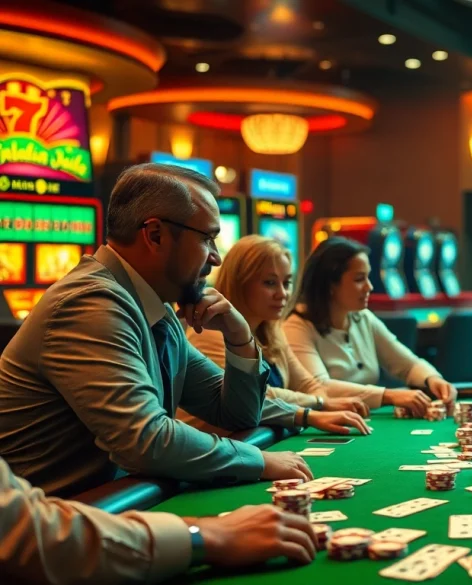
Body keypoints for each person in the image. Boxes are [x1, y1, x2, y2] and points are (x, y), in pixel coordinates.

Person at [0, 163, 366, 497]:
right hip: (47, 532)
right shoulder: (91, 305)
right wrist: (258, 460)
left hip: (107, 506)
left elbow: (236, 415)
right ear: (155, 235)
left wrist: (239, 336)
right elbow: (147, 441)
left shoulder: (155, 309)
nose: (216, 257)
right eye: (207, 238)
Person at [0, 456, 319, 584]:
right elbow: (23, 530)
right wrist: (202, 535)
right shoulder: (89, 310)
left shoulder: (164, 322)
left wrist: (240, 341)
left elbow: (232, 409)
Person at [184, 235, 377, 434]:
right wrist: (318, 405)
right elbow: (253, 397)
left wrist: (325, 402)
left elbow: (308, 384)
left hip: (257, 442)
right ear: (239, 282)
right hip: (217, 452)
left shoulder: (272, 330)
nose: (282, 293)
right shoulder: (210, 330)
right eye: (270, 283)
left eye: (287, 283)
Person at [283, 236, 457, 417]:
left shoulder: (362, 317)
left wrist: (433, 379)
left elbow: (407, 364)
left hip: (361, 420)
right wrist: (388, 395)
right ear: (329, 285)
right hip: (323, 424)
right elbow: (319, 388)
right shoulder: (296, 326)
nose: (369, 287)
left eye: (368, 277)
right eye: (359, 279)